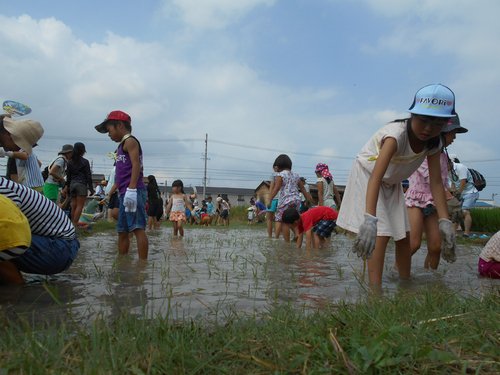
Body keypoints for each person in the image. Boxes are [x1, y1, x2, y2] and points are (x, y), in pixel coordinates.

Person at [336, 83, 457, 285]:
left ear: (446, 124)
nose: (429, 129)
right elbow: (375, 176)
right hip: (368, 175)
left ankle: (405, 282)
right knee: (381, 232)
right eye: (424, 121)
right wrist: (369, 219)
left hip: (391, 181)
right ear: (412, 116)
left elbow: (436, 183)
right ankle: (375, 293)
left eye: (438, 124)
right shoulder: (395, 136)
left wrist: (444, 221)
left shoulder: (434, 143)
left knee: (403, 235)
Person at [404, 115, 468, 269]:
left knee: (436, 247)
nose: (454, 138)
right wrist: (450, 198)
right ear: (443, 132)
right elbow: (432, 178)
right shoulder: (424, 151)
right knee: (414, 244)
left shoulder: (444, 155)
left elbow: (443, 181)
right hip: (416, 201)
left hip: (434, 203)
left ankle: (430, 280)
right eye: (454, 133)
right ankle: (398, 272)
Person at [0, 177, 80, 284]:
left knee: (3, 240)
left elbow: (10, 227)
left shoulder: (2, 189)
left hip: (61, 246)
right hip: (60, 243)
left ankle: (16, 293)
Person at [95, 110, 148, 259]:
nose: (109, 134)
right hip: (124, 193)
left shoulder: (130, 141)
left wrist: (131, 189)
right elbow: (120, 175)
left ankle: (142, 266)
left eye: (109, 130)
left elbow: (136, 164)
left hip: (134, 190)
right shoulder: (120, 147)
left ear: (119, 125)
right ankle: (121, 263)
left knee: (137, 228)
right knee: (122, 231)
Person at [267, 154, 312, 242]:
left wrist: (270, 199)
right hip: (296, 201)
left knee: (285, 222)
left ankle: (287, 242)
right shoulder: (295, 175)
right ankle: (297, 234)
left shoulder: (280, 174)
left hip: (285, 201)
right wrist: (308, 198)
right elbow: (302, 188)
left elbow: (277, 188)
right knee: (292, 220)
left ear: (279, 165)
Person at [449, 154, 479, 238]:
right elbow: (453, 183)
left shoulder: (460, 167)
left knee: (465, 212)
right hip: (459, 192)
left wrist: (457, 194)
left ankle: (466, 233)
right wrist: (452, 195)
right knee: (455, 212)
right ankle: (455, 234)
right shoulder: (448, 171)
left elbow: (463, 183)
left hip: (470, 192)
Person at [66, 142, 94, 228]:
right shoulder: (84, 162)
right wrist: (91, 188)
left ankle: (71, 223)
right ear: (83, 151)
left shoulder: (69, 162)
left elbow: (68, 176)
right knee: (79, 206)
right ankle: (75, 223)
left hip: (72, 184)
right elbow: (88, 176)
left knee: (73, 205)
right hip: (81, 184)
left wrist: (68, 189)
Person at [266, 163, 281, 238]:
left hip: (273, 198)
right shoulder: (283, 174)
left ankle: (270, 236)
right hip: (281, 198)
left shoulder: (273, 175)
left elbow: (271, 187)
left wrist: (269, 199)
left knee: (269, 219)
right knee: (279, 219)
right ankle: (277, 236)